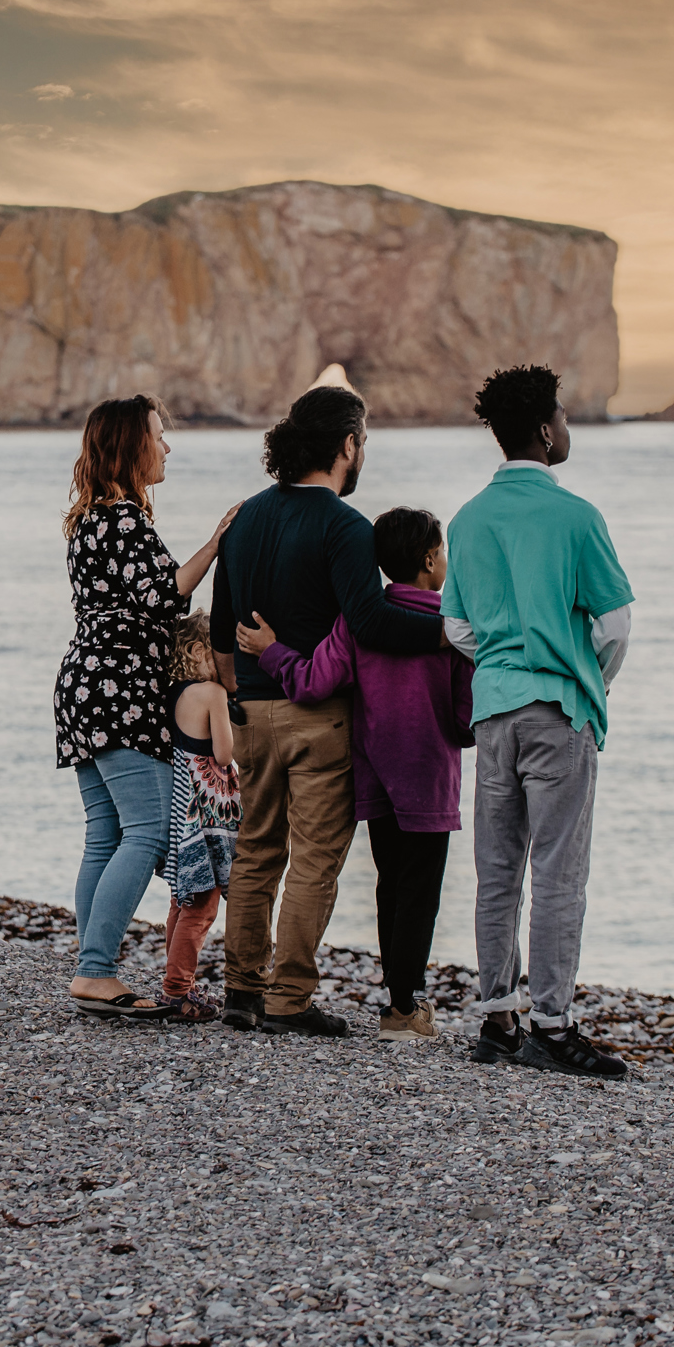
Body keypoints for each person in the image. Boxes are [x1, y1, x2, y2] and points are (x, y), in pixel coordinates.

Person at [207, 385, 447, 1037]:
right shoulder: (345, 527)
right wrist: (449, 635)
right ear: (346, 445)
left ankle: (240, 991)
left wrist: (236, 695)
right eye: (362, 440)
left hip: (252, 710)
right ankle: (288, 999)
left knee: (256, 852)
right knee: (314, 860)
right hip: (318, 718)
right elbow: (369, 623)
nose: (362, 452)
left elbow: (222, 629)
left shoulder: (245, 518)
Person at [441, 365, 634, 1078]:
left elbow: (456, 626)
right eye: (563, 416)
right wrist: (584, 678)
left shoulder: (466, 520)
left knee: (497, 870)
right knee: (558, 871)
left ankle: (497, 1019)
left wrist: (501, 660)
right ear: (546, 431)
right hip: (557, 710)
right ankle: (551, 1024)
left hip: (493, 712)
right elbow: (614, 626)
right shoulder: (577, 517)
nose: (567, 426)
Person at [235, 506, 473, 1040]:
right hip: (430, 779)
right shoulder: (451, 628)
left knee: (391, 885)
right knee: (420, 892)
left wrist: (272, 652)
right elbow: (465, 721)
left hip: (376, 777)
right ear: (429, 560)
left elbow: (312, 683)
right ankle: (403, 1008)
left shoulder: (360, 619)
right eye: (443, 553)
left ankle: (397, 1001)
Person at [54, 395, 238, 1018]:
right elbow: (164, 596)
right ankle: (95, 971)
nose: (167, 446)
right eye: (158, 436)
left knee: (105, 833)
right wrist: (216, 543)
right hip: (121, 685)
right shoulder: (124, 519)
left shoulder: (88, 519)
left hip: (83, 683)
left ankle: (93, 967)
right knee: (150, 830)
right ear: (132, 445)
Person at [157, 612, 237, 1024]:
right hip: (208, 813)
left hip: (181, 810)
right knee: (203, 907)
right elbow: (223, 754)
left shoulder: (174, 692)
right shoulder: (212, 693)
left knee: (182, 897)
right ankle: (177, 990)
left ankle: (178, 983)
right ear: (197, 651)